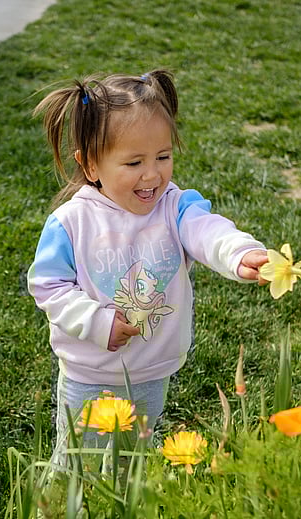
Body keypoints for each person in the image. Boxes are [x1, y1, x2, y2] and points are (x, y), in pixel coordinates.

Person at [27, 69, 268, 451]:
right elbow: (48, 286)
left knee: (133, 459)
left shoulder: (174, 206)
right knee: (80, 462)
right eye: (134, 163)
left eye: (163, 156)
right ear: (91, 165)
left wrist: (240, 253)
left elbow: (209, 231)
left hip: (153, 371)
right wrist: (96, 321)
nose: (152, 174)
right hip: (90, 375)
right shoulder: (72, 222)